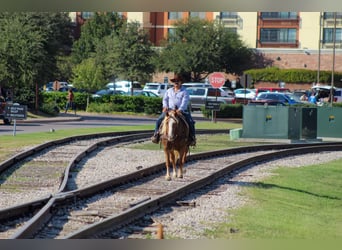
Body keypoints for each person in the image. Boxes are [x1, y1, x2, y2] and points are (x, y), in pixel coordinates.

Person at [151, 74, 196, 146]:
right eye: (175, 81)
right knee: (159, 120)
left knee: (190, 122)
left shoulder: (184, 91)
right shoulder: (169, 91)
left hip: (181, 111)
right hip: (169, 111)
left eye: (178, 81)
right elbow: (165, 99)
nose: (176, 83)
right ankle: (156, 135)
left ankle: (192, 138)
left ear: (181, 82)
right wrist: (165, 106)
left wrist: (180, 109)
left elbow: (185, 102)